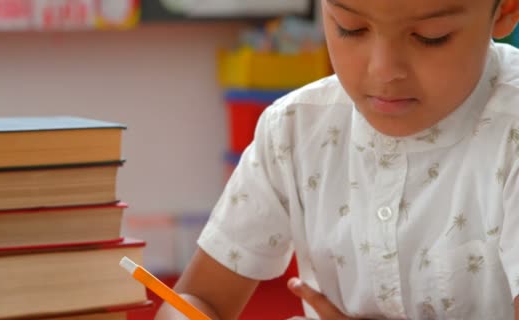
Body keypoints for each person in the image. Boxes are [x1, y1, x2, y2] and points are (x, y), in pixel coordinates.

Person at [156, 0, 519, 318]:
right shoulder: (295, 129)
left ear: (505, 10)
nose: (383, 70)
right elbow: (196, 298)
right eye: (351, 28)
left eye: (431, 35)